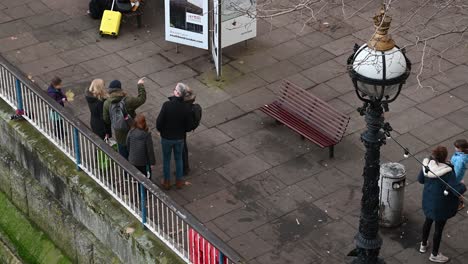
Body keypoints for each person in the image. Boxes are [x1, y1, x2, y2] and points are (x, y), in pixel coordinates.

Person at [418, 146, 466, 263]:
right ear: (444, 157)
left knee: (428, 222)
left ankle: (423, 244)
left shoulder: (427, 166)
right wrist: (462, 186)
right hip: (441, 205)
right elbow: (455, 190)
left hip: (429, 200)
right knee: (438, 229)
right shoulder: (448, 172)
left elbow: (421, 179)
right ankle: (434, 254)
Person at [156, 83, 192, 190]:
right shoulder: (186, 108)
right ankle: (179, 181)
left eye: (175, 89)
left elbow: (159, 123)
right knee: (179, 159)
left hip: (166, 138)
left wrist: (161, 131)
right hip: (179, 138)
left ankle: (167, 182)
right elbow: (189, 126)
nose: (173, 90)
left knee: (166, 159)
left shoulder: (167, 105)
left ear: (177, 93)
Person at [103, 78, 146, 159]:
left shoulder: (107, 103)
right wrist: (140, 85)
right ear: (120, 89)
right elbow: (142, 99)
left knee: (124, 157)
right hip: (132, 130)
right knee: (135, 156)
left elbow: (106, 119)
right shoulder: (128, 100)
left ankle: (126, 171)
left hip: (119, 134)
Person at [126, 113, 155, 178]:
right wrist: (152, 162)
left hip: (132, 160)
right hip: (143, 162)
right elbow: (150, 150)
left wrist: (131, 154)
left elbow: (127, 144)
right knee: (146, 178)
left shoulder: (131, 132)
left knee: (136, 177)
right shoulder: (147, 135)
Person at [450, 139, 468, 210]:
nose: (455, 148)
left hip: (455, 176)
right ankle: (460, 187)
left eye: (456, 147)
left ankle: (460, 204)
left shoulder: (461, 160)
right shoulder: (461, 154)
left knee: (455, 191)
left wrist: (453, 179)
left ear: (460, 149)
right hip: (458, 175)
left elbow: (457, 171)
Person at [182, 86, 196, 176]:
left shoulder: (183, 108)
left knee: (182, 150)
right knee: (184, 149)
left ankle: (184, 168)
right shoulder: (191, 107)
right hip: (184, 130)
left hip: (178, 131)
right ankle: (185, 167)